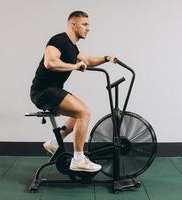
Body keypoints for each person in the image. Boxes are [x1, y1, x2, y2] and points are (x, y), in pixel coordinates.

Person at [30, 11, 117, 172]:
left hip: (52, 90)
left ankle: (55, 142)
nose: (88, 28)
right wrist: (75, 66)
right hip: (43, 91)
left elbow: (88, 61)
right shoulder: (58, 40)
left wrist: (106, 58)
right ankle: (78, 159)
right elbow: (50, 62)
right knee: (84, 113)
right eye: (84, 24)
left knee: (79, 114)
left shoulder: (72, 47)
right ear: (73, 24)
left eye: (88, 25)